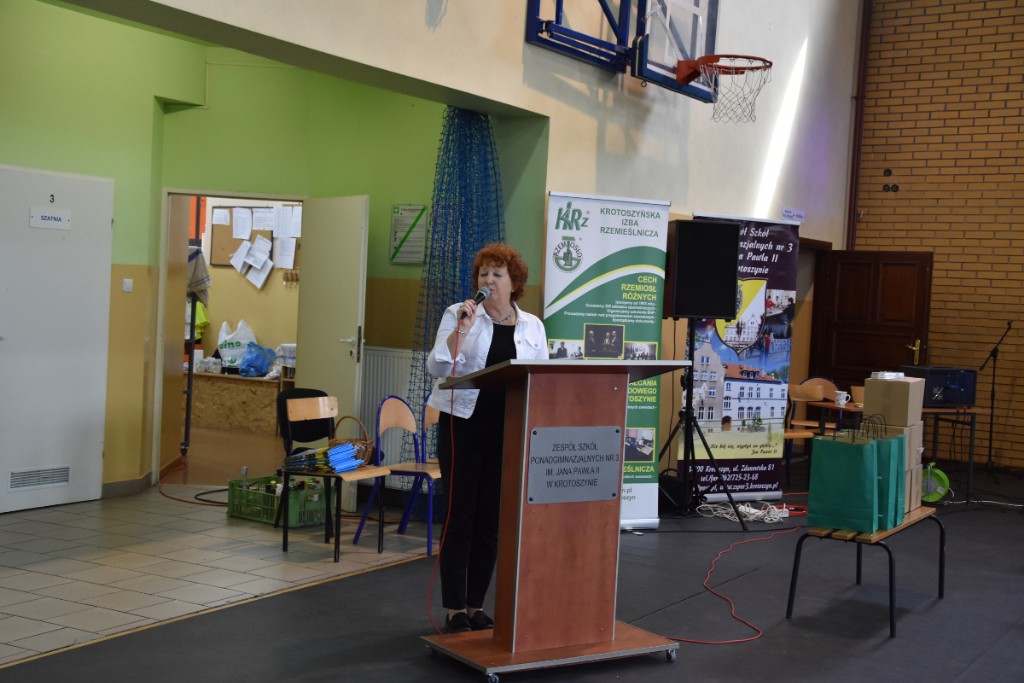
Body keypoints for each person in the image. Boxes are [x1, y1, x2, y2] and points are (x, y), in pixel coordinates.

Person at [426, 243, 549, 634]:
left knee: (490, 520)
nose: (489, 281)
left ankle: (476, 604)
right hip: (462, 425)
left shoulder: (532, 326)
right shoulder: (459, 314)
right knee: (460, 516)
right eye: (483, 273)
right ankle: (454, 608)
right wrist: (461, 330)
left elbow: (541, 378)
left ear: (515, 283)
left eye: (497, 274)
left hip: (507, 427)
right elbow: (436, 367)